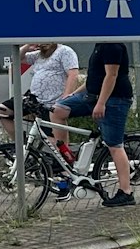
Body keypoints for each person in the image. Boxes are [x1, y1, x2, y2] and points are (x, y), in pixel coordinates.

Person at [53, 40, 135, 206]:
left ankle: (126, 192)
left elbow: (111, 76)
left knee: (114, 145)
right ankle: (66, 156)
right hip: (91, 96)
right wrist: (72, 95)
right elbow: (94, 78)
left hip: (115, 99)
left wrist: (101, 103)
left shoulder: (112, 45)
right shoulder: (99, 45)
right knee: (58, 110)